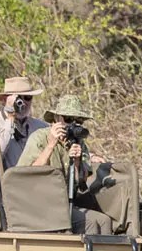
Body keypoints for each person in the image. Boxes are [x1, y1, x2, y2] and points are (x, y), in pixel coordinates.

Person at [18, 95, 111, 235]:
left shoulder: (78, 142)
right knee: (90, 223)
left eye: (78, 120)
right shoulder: (39, 138)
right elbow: (26, 175)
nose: (72, 124)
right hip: (38, 205)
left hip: (64, 205)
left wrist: (78, 161)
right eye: (67, 119)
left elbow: (80, 184)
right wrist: (51, 145)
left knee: (104, 221)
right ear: (56, 119)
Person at [0, 77, 47, 169]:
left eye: (27, 97)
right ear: (4, 100)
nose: (23, 103)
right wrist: (10, 118)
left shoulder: (40, 126)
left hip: (33, 180)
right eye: (17, 99)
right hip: (6, 181)